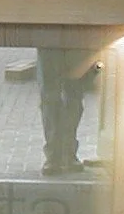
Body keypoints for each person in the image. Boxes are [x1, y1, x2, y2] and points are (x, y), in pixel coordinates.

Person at [36, 48, 98, 176]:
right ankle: (55, 155)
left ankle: (65, 153)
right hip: (49, 36)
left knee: (72, 94)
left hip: (75, 38)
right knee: (51, 96)